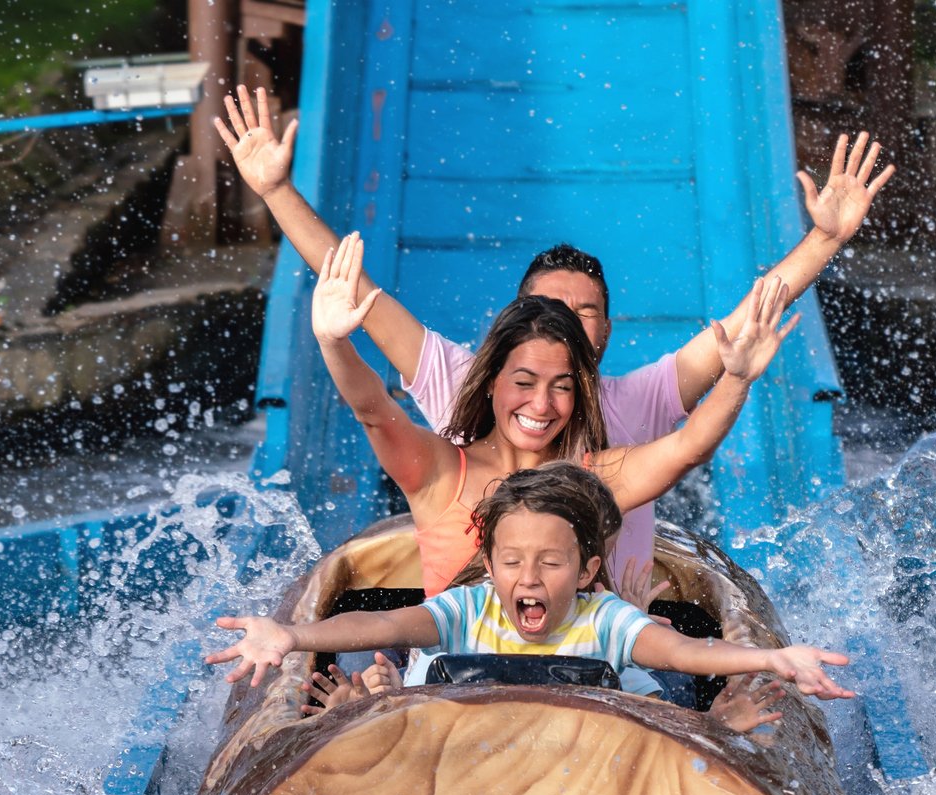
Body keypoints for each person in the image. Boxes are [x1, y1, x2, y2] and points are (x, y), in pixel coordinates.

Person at [216, 86, 896, 571]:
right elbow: (352, 296)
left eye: (585, 312)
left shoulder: (634, 410)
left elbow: (732, 345)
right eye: (547, 309)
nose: (564, 323)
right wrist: (276, 192)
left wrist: (823, 241)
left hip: (605, 654)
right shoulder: (455, 395)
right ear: (512, 331)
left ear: (605, 334)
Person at [310, 232, 795, 598]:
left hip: (576, 691)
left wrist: (736, 380)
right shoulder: (441, 471)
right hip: (455, 690)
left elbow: (689, 449)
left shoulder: (595, 479)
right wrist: (333, 342)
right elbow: (372, 409)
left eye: (561, 388)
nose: (541, 405)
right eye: (524, 383)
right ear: (491, 378)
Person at [208, 463, 856, 710]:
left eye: (551, 563)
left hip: (574, 765)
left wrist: (771, 658)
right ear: (488, 568)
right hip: (464, 759)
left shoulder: (601, 621)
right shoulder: (468, 610)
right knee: (390, 687)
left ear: (585, 573)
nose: (528, 578)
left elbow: (687, 654)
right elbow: (377, 627)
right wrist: (290, 633)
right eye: (512, 561)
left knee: (662, 699)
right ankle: (372, 705)